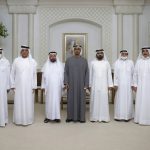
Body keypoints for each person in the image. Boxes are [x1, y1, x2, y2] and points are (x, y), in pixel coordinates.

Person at [10, 45, 37, 126]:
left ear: (28, 52)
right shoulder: (16, 61)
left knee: (28, 102)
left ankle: (28, 119)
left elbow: (34, 75)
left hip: (29, 87)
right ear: (20, 52)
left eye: (26, 50)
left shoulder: (32, 62)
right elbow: (12, 74)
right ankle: (18, 119)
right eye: (23, 50)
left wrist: (34, 86)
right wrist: (13, 85)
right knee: (19, 102)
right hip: (18, 86)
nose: (24, 52)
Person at [64, 45, 89, 123]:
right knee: (71, 100)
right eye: (76, 49)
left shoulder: (84, 60)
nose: (77, 50)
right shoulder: (68, 60)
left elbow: (87, 73)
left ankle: (81, 118)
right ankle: (70, 117)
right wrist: (66, 83)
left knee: (81, 101)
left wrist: (86, 84)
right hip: (71, 84)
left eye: (78, 49)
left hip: (81, 85)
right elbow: (66, 72)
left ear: (80, 50)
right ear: (73, 50)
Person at [89, 49, 113, 123]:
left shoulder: (106, 63)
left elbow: (109, 74)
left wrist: (110, 85)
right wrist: (89, 85)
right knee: (94, 100)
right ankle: (94, 117)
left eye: (101, 53)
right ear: (96, 54)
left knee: (103, 100)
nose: (100, 54)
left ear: (103, 54)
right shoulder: (92, 63)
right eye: (98, 53)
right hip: (94, 85)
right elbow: (90, 75)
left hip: (104, 85)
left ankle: (104, 117)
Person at [41, 51, 64, 123]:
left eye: (54, 56)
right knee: (48, 102)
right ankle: (48, 117)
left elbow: (63, 76)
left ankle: (57, 117)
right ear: (49, 57)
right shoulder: (46, 65)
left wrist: (63, 85)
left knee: (57, 101)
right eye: (51, 56)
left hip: (58, 87)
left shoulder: (60, 65)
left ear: (56, 57)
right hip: (49, 87)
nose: (53, 57)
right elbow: (43, 78)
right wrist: (43, 87)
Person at [114, 49, 134, 122]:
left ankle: (128, 116)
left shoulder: (131, 62)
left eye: (126, 54)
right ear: (120, 54)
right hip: (119, 85)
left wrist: (133, 84)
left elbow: (133, 74)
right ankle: (118, 116)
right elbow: (115, 75)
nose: (124, 55)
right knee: (119, 99)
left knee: (128, 99)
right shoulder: (117, 62)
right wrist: (115, 84)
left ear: (127, 54)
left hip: (128, 84)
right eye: (123, 54)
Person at [133, 47, 150, 125]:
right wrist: (135, 85)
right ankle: (139, 119)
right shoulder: (139, 62)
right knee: (140, 100)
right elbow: (135, 74)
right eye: (143, 51)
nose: (145, 52)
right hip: (140, 85)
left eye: (146, 51)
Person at [0, 48, 10, 127]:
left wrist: (8, 86)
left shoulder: (6, 62)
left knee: (2, 102)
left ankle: (3, 120)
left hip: (2, 87)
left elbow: (8, 75)